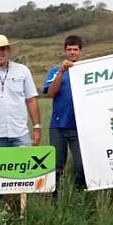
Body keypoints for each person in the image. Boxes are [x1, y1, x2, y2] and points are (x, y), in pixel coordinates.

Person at [43, 34, 86, 193]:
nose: (72, 53)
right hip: (58, 126)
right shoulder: (55, 71)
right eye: (69, 49)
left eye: (75, 49)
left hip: (78, 127)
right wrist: (61, 71)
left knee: (80, 166)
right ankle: (54, 198)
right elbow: (51, 93)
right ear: (64, 51)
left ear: (81, 51)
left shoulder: (87, 70)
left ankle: (79, 197)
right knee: (56, 166)